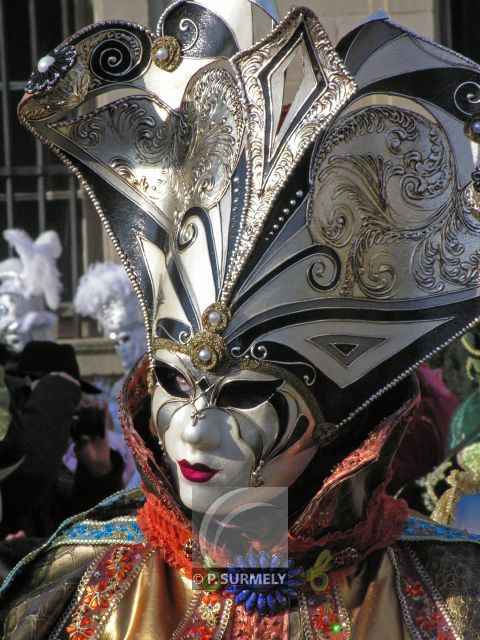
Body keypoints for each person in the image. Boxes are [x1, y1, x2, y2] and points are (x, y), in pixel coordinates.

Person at [2, 1, 480, 638]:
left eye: (245, 392)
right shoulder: (84, 583)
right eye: (175, 383)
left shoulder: (447, 591)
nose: (195, 431)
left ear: (338, 418)